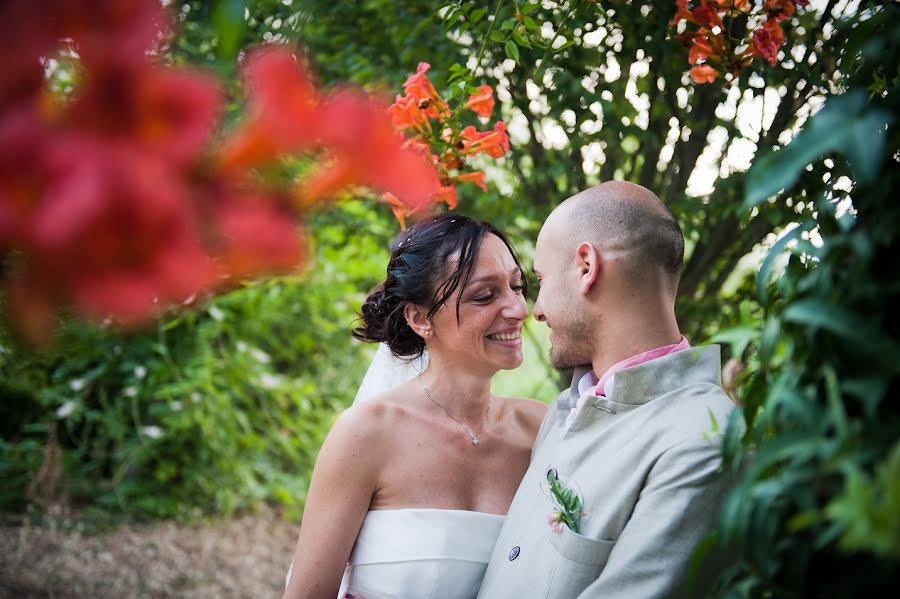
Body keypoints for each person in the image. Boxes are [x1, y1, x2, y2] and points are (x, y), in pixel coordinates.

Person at [478, 181, 738, 598]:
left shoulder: (701, 444)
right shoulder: (563, 411)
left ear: (586, 267)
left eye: (541, 280)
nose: (536, 310)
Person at [282, 213, 547, 599]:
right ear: (421, 318)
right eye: (484, 295)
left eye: (517, 287)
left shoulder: (541, 429)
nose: (518, 310)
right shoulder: (367, 434)